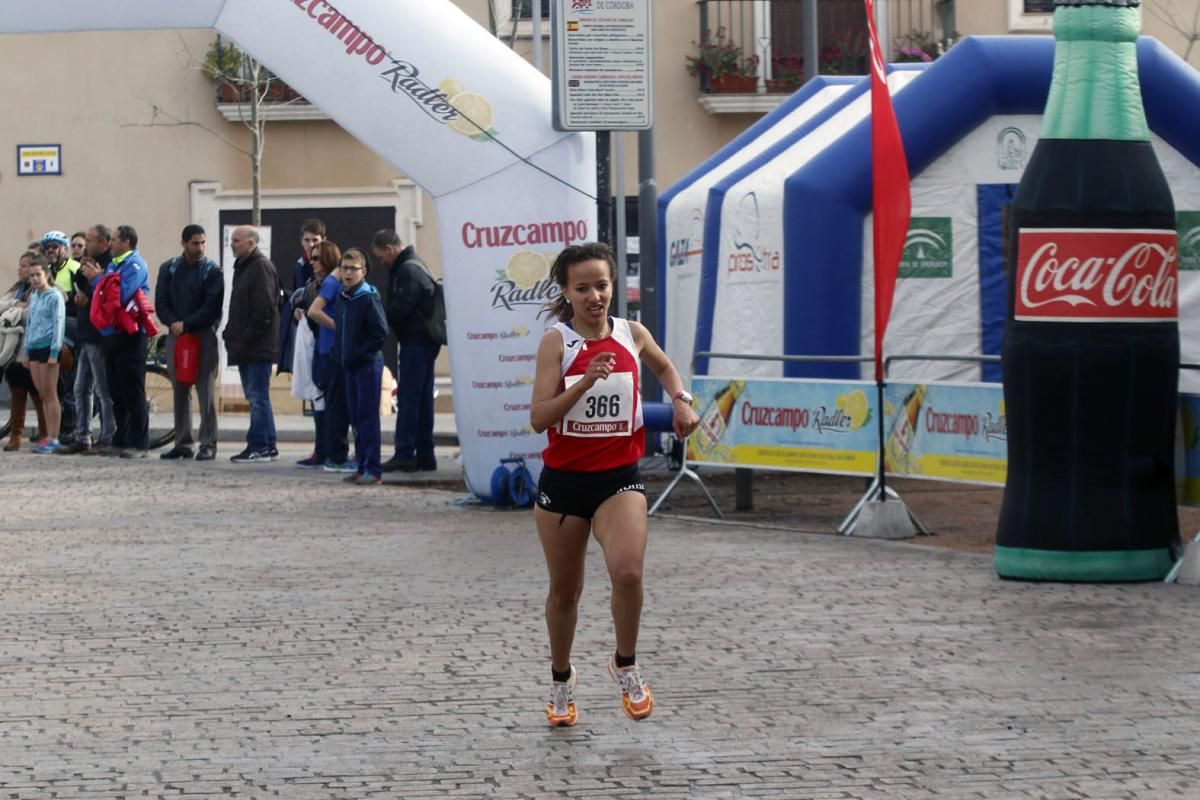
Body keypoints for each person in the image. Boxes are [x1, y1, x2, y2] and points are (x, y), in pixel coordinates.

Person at [529, 242, 700, 727]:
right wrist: (581, 383)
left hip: (619, 480)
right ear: (566, 291)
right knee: (566, 592)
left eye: (601, 286)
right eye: (582, 288)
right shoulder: (556, 342)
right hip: (564, 485)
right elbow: (539, 418)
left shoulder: (632, 333)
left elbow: (666, 368)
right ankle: (561, 680)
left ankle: (625, 663)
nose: (594, 296)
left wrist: (681, 400)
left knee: (627, 573)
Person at [372, 229, 439, 472]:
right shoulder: (416, 265)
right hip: (424, 342)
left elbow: (401, 309)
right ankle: (425, 454)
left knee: (410, 398)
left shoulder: (407, 270)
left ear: (390, 249)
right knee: (422, 399)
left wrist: (376, 312)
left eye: (381, 257)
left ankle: (404, 452)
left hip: (416, 343)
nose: (383, 263)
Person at [155, 224, 224, 461]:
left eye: (203, 242)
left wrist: (188, 324)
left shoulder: (212, 271)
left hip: (202, 335)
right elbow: (161, 302)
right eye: (195, 243)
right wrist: (174, 323)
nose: (200, 247)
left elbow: (212, 306)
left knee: (205, 391)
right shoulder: (169, 269)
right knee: (179, 389)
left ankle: (208, 443)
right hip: (177, 335)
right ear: (184, 243)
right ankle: (183, 442)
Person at [223, 225, 280, 463]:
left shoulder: (260, 267)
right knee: (256, 397)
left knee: (257, 397)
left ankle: (259, 446)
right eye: (232, 240)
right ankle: (267, 444)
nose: (232, 244)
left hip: (257, 346)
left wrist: (245, 337)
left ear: (251, 243)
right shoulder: (244, 267)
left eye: (237, 240)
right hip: (246, 345)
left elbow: (264, 309)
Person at [332, 248, 388, 485]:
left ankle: (373, 469)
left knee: (367, 418)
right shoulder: (345, 296)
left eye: (353, 269)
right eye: (344, 268)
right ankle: (361, 464)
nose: (347, 273)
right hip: (349, 366)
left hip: (366, 365)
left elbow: (380, 332)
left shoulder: (367, 297)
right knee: (355, 417)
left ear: (363, 272)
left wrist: (358, 353)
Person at [97, 225, 152, 459]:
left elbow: (119, 295)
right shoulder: (113, 264)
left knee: (132, 390)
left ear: (127, 242)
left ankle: (139, 442)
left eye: (115, 239)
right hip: (112, 333)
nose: (111, 243)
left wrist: (97, 284)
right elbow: (103, 294)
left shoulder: (135, 265)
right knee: (116, 390)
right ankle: (121, 438)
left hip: (131, 334)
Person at [61, 226, 116, 455]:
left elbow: (108, 296)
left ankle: (107, 436)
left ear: (104, 242)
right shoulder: (88, 263)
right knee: (80, 388)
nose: (86, 243)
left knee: (103, 390)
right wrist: (81, 274)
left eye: (90, 240)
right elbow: (79, 294)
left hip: (99, 335)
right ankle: (82, 436)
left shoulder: (109, 265)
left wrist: (94, 282)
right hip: (85, 334)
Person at [303, 241, 355, 471]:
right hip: (331, 351)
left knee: (334, 405)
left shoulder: (332, 280)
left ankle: (332, 453)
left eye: (316, 258)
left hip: (330, 350)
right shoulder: (334, 282)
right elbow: (315, 311)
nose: (311, 262)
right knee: (337, 406)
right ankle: (336, 455)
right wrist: (340, 327)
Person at [21, 256, 67, 454]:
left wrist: (54, 352)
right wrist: (26, 351)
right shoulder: (34, 297)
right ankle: (47, 435)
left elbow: (59, 324)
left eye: (38, 275)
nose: (34, 279)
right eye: (31, 276)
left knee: (50, 393)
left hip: (49, 348)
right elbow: (29, 325)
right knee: (42, 394)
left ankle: (54, 438)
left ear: (46, 274)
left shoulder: (55, 296)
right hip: (34, 348)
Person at [2, 252, 46, 451]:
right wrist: (14, 306)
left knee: (38, 395)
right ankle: (16, 436)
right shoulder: (17, 290)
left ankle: (45, 434)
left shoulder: (40, 291)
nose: (20, 269)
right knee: (17, 394)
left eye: (24, 265)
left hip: (32, 350)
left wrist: (15, 313)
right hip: (12, 352)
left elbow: (32, 315)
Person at [41, 230, 79, 443]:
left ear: (64, 248)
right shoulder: (45, 271)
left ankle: (69, 427)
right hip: (51, 328)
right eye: (47, 248)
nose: (51, 251)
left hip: (71, 327)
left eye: (55, 246)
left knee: (66, 377)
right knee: (51, 381)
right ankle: (51, 426)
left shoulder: (74, 268)